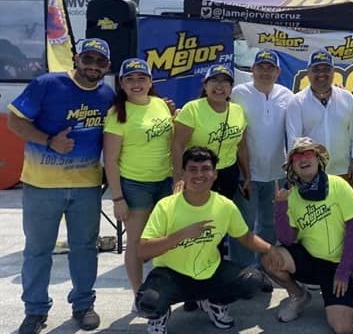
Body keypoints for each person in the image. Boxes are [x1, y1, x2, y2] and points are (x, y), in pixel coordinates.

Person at [7, 38, 115, 334]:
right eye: (88, 59)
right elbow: (15, 122)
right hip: (42, 185)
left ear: (107, 67)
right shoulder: (47, 84)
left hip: (87, 187)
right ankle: (35, 310)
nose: (93, 66)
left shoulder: (107, 95)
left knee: (85, 248)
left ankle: (83, 305)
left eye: (100, 62)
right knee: (38, 251)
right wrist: (48, 141)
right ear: (76, 59)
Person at [136, 146, 283, 334]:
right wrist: (181, 235)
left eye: (205, 169)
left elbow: (245, 237)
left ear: (214, 174)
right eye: (193, 169)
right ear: (183, 173)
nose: (199, 175)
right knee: (147, 302)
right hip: (171, 275)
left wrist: (270, 249)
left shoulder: (224, 205)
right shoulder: (166, 206)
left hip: (209, 271)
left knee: (254, 282)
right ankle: (159, 316)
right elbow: (143, 250)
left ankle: (215, 302)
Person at [262, 137, 353, 334]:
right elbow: (288, 240)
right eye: (297, 156)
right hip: (310, 260)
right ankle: (299, 295)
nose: (303, 159)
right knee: (269, 257)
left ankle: (337, 293)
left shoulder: (339, 185)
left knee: (343, 328)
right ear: (292, 166)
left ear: (318, 159)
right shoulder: (291, 194)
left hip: (339, 265)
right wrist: (280, 207)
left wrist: (343, 271)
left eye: (308, 153)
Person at [103, 58, 173, 298]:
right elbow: (110, 160)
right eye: (130, 79)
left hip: (165, 180)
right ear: (121, 83)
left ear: (150, 81)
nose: (136, 84)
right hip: (135, 185)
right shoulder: (116, 114)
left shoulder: (160, 104)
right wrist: (117, 198)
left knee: (164, 239)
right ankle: (138, 294)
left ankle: (167, 289)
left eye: (141, 78)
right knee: (135, 242)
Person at [230, 49, 294, 270]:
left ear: (278, 71)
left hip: (276, 172)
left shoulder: (287, 95)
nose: (265, 72)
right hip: (247, 173)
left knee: (269, 224)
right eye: (261, 67)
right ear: (252, 69)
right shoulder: (239, 93)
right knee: (243, 224)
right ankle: (242, 270)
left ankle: (263, 268)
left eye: (270, 68)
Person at [286, 49, 353, 188]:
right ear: (308, 73)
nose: (321, 73)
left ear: (333, 72)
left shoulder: (347, 98)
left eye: (326, 69)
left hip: (344, 171)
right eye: (316, 69)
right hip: (310, 174)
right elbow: (294, 142)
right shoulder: (297, 102)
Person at [172, 64, 249, 199]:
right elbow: (177, 146)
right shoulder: (191, 109)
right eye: (214, 80)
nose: (219, 86)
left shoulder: (238, 110)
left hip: (229, 173)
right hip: (198, 172)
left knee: (222, 216)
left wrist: (248, 175)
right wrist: (179, 178)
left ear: (231, 88)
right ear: (205, 85)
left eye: (225, 81)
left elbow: (242, 147)